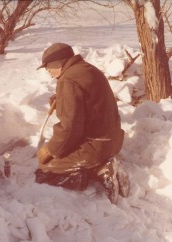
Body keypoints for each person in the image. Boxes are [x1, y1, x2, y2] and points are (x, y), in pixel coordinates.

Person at [35, 43, 129, 203]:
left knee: (46, 171)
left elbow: (70, 128)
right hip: (113, 140)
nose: (48, 72)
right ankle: (102, 163)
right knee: (58, 160)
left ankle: (100, 169)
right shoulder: (88, 69)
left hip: (96, 146)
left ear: (59, 63)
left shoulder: (68, 80)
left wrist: (51, 150)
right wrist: (62, 99)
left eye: (48, 67)